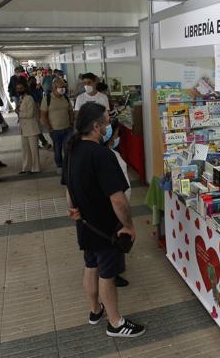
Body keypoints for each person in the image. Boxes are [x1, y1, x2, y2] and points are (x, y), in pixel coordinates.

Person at [64, 103, 145, 338]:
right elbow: (118, 200)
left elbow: (68, 188)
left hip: (86, 225)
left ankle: (94, 311)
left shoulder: (72, 149)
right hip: (106, 228)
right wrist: (128, 226)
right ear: (97, 126)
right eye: (108, 122)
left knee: (90, 266)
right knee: (107, 275)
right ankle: (116, 323)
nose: (110, 126)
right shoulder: (102, 155)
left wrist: (73, 210)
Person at [103, 119, 130, 288]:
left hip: (103, 211)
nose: (119, 137)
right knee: (113, 244)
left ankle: (111, 271)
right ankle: (112, 274)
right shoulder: (111, 157)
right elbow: (119, 194)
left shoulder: (96, 153)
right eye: (117, 134)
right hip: (115, 210)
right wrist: (128, 222)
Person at [40, 78, 73, 174]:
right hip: (55, 130)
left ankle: (68, 165)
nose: (63, 89)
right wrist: (49, 128)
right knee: (57, 149)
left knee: (68, 148)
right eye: (61, 87)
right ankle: (59, 165)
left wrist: (71, 123)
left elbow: (70, 111)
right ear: (54, 87)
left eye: (64, 87)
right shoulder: (47, 99)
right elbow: (43, 115)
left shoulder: (65, 98)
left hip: (67, 128)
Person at [17, 80, 41, 174]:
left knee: (34, 149)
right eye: (18, 88)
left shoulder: (29, 98)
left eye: (21, 88)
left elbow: (30, 114)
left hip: (31, 127)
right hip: (23, 128)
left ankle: (36, 168)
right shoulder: (20, 98)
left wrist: (19, 113)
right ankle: (26, 167)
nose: (19, 90)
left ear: (25, 88)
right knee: (25, 149)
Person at [28, 76, 51, 149]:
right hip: (31, 112)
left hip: (38, 109)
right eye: (32, 81)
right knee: (36, 128)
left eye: (34, 81)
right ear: (28, 82)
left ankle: (39, 143)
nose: (33, 82)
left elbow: (40, 98)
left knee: (37, 128)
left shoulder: (37, 89)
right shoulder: (28, 91)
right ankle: (44, 142)